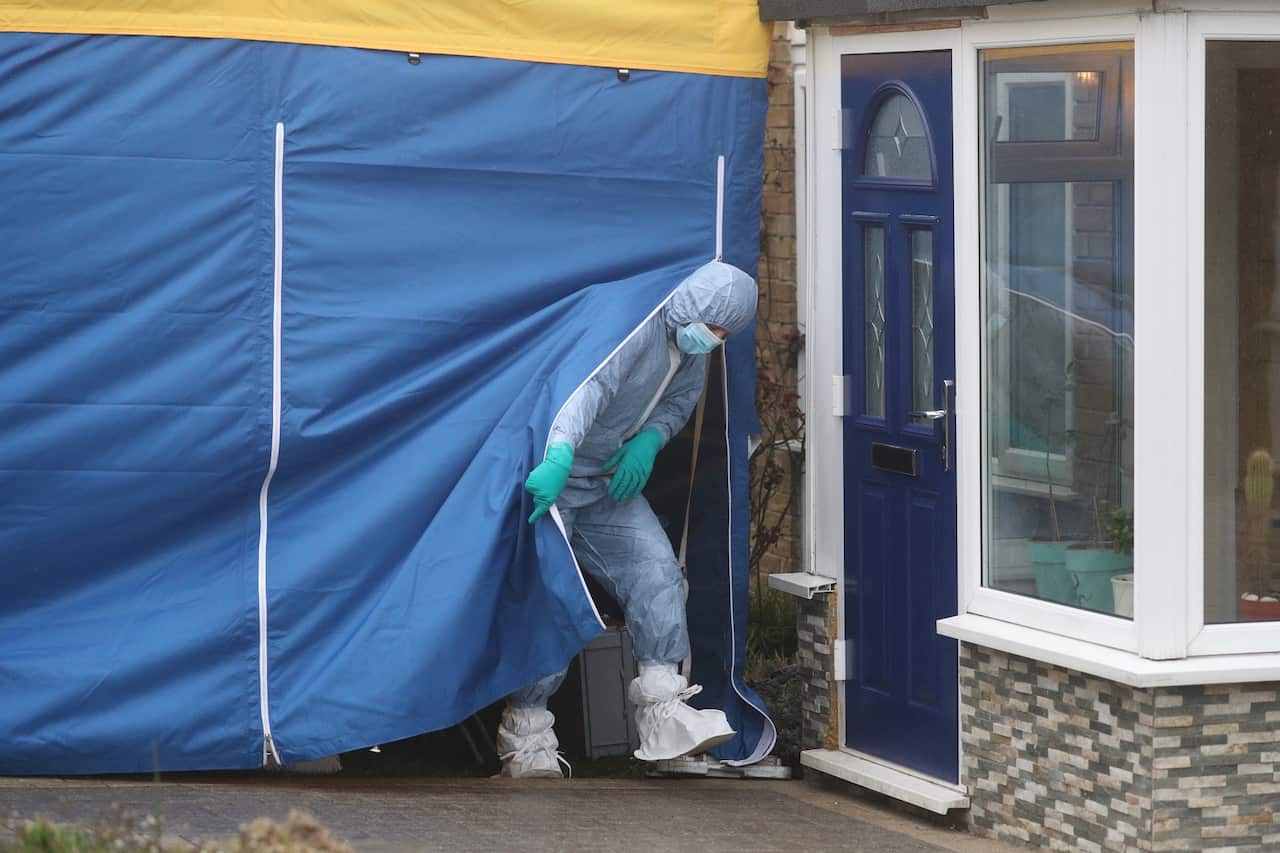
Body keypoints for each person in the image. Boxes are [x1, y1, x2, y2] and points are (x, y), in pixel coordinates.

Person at [498, 260, 758, 778]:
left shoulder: (687, 350)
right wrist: (558, 457)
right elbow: (583, 391)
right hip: (556, 481)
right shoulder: (630, 331)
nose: (715, 339)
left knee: (657, 573)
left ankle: (662, 712)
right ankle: (524, 732)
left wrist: (650, 439)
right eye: (714, 326)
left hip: (601, 484)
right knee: (552, 599)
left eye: (726, 333)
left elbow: (679, 403)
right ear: (691, 307)